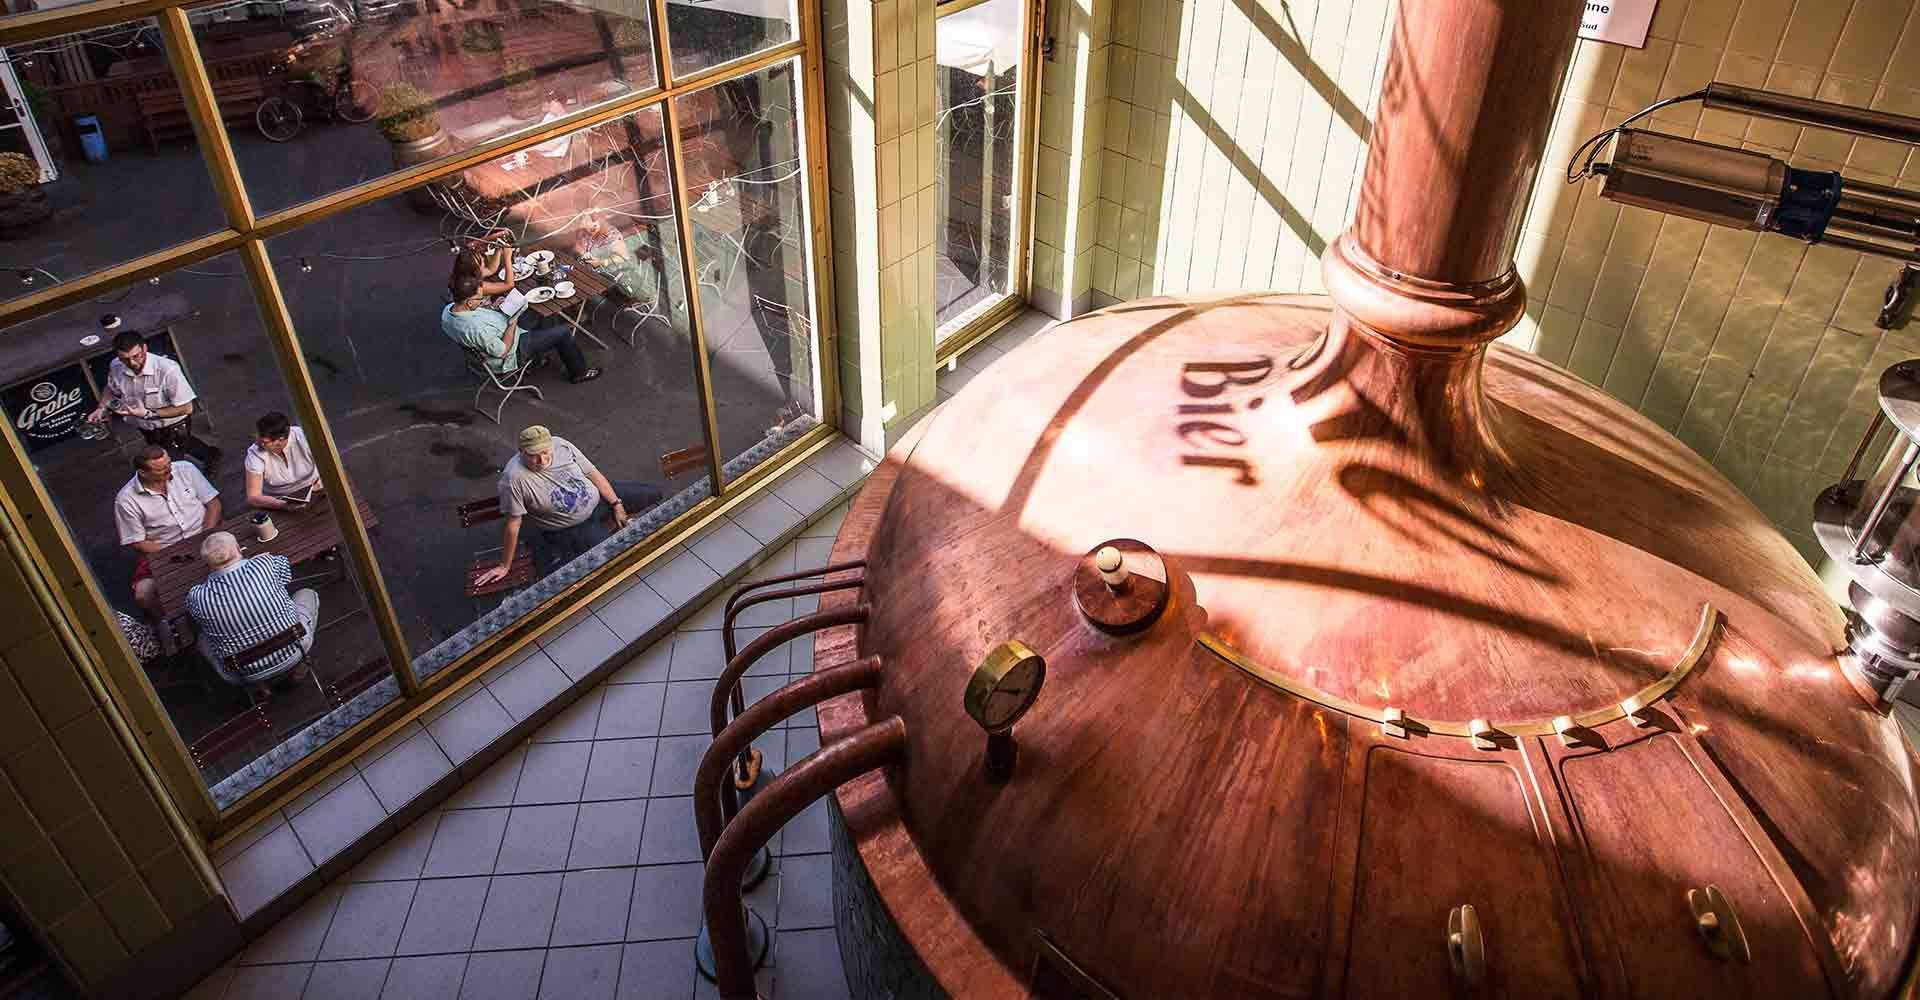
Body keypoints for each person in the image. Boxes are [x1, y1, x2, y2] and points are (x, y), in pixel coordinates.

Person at [474, 424, 661, 584]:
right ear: (521, 452)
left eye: (546, 452)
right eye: (534, 456)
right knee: (614, 556)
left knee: (652, 493)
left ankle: (612, 523)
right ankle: (582, 545)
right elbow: (513, 525)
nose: (542, 460)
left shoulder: (560, 445)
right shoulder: (513, 479)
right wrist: (504, 566)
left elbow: (593, 474)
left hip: (599, 501)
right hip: (572, 526)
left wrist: (616, 504)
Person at [186, 532, 319, 689]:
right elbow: (285, 574)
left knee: (202, 639)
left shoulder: (197, 596)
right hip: (295, 649)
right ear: (238, 549)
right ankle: (299, 668)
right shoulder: (265, 565)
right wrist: (258, 562)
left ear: (208, 564)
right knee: (308, 594)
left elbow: (197, 618)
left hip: (245, 673)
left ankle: (260, 688)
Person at [87, 329, 222, 470]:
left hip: (173, 424)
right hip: (144, 425)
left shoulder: (168, 370)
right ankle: (211, 454)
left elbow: (187, 408)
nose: (132, 363)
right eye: (125, 359)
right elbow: (110, 388)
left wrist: (147, 414)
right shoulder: (116, 365)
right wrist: (101, 408)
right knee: (183, 443)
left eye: (136, 356)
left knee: (167, 463)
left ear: (145, 348)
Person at [114, 446, 221, 616]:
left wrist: (205, 535)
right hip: (165, 550)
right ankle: (173, 621)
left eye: (169, 463)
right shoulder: (125, 500)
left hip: (205, 533)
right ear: (143, 473)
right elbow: (138, 543)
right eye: (161, 469)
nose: (170, 469)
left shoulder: (185, 468)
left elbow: (213, 504)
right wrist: (177, 552)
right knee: (143, 594)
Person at [443, 273, 602, 384]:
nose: (482, 300)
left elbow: (479, 316)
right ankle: (579, 373)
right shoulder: (474, 328)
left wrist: (491, 307)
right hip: (511, 352)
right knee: (563, 333)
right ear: (469, 302)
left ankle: (538, 359)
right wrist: (512, 323)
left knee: (543, 311)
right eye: (479, 298)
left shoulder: (449, 310)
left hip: (500, 327)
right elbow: (501, 351)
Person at [244, 412, 323, 510]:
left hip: (316, 488)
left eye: (264, 442)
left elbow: (329, 465)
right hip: (278, 499)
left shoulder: (303, 437)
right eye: (259, 436)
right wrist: (283, 505)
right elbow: (253, 497)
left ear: (280, 440)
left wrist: (319, 486)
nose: (259, 442)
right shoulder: (255, 454)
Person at [451, 228, 518, 300]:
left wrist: (498, 249)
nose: (483, 259)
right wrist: (507, 258)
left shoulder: (464, 272)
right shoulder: (472, 286)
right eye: (481, 261)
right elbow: (509, 285)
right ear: (475, 270)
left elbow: (490, 270)